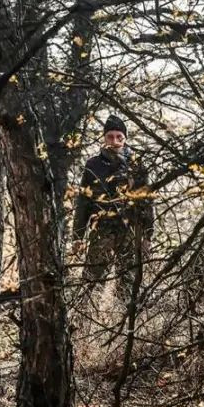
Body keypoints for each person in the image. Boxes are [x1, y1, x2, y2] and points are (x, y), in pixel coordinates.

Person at [71, 115, 155, 309]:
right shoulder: (93, 165)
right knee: (91, 281)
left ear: (125, 138)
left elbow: (147, 201)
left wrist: (147, 235)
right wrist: (77, 236)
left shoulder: (137, 165)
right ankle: (84, 319)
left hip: (130, 231)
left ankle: (125, 321)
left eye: (119, 137)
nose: (115, 141)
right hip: (102, 230)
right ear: (104, 138)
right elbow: (83, 202)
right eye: (110, 136)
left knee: (129, 283)